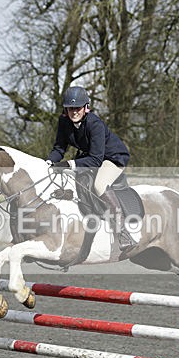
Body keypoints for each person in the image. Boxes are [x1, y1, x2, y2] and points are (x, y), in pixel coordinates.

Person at [46, 85, 135, 251]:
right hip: (90, 157)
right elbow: (59, 148)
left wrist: (69, 164)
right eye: (70, 108)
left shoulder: (95, 124)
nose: (74, 112)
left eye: (77, 108)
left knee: (98, 185)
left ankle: (123, 232)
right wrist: (48, 163)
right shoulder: (63, 122)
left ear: (86, 108)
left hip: (112, 158)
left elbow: (95, 159)